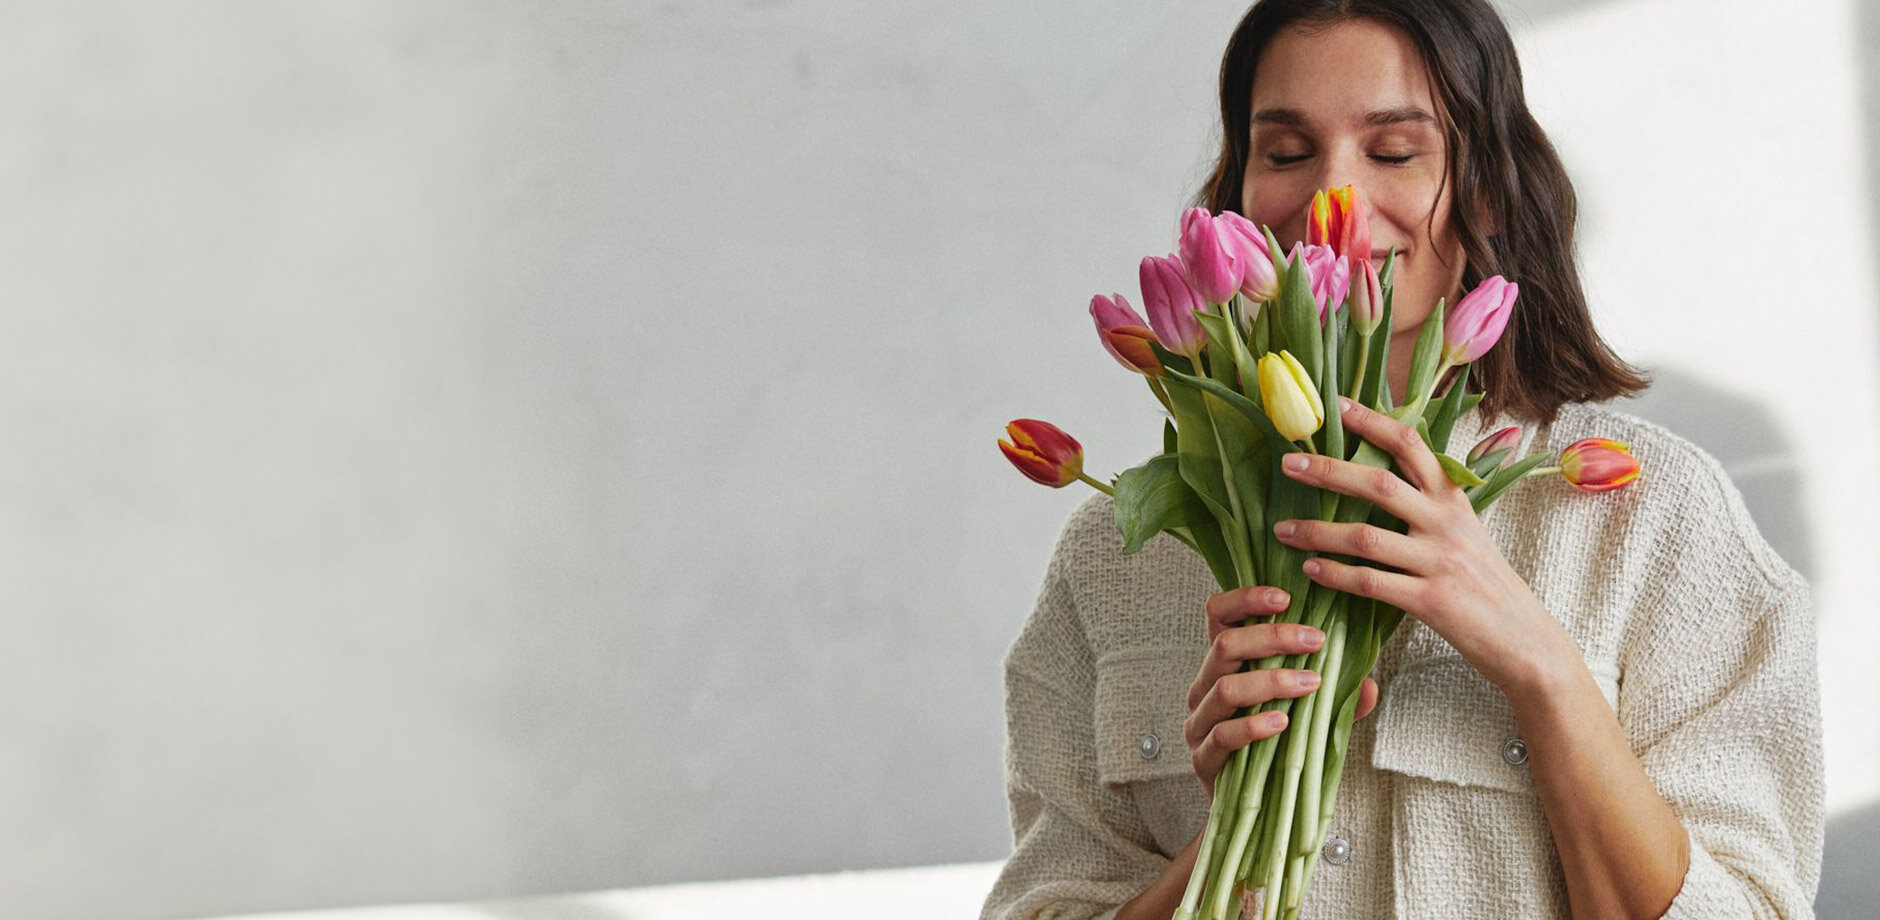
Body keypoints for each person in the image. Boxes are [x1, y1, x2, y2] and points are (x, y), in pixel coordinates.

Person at [979, 1, 1825, 919]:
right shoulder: (1117, 556)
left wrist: (1542, 666)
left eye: (1393, 152)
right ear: (1238, 197)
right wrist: (1236, 834)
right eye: (1286, 153)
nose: (1329, 197)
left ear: (1487, 189)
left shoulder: (1657, 522)